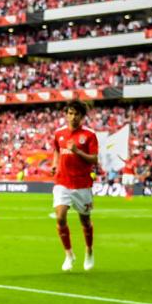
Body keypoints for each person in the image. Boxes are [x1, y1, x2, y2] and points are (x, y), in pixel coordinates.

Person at [52, 102, 99, 272]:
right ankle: (69, 254)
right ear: (66, 114)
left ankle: (89, 250)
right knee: (60, 217)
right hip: (62, 181)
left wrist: (77, 152)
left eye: (76, 114)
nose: (73, 117)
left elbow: (94, 159)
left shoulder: (89, 135)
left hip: (82, 184)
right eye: (70, 113)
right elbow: (56, 150)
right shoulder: (59, 133)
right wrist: (55, 163)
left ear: (82, 116)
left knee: (85, 221)